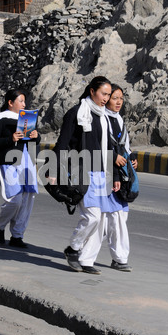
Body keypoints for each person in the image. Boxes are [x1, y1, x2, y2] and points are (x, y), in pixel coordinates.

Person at [51, 76, 120, 274]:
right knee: (92, 217)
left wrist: (114, 175)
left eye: (108, 94)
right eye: (103, 94)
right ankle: (73, 248)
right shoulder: (76, 113)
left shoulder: (103, 117)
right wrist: (55, 170)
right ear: (92, 91)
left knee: (100, 221)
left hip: (101, 173)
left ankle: (86, 260)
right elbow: (62, 144)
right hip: (82, 171)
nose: (106, 98)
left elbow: (108, 149)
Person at [0, 88, 40, 248]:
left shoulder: (27, 119)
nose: (24, 104)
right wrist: (10, 139)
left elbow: (32, 143)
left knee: (27, 199)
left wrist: (35, 137)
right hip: (10, 162)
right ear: (10, 102)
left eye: (25, 101)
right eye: (21, 101)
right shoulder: (1, 118)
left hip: (27, 163)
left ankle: (17, 235)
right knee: (15, 199)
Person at [104, 83, 138, 272]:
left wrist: (132, 159)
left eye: (121, 98)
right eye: (114, 98)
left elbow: (125, 147)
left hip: (121, 173)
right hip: (107, 174)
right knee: (114, 216)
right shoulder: (101, 119)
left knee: (115, 217)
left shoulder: (119, 120)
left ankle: (79, 249)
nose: (118, 102)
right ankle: (120, 258)